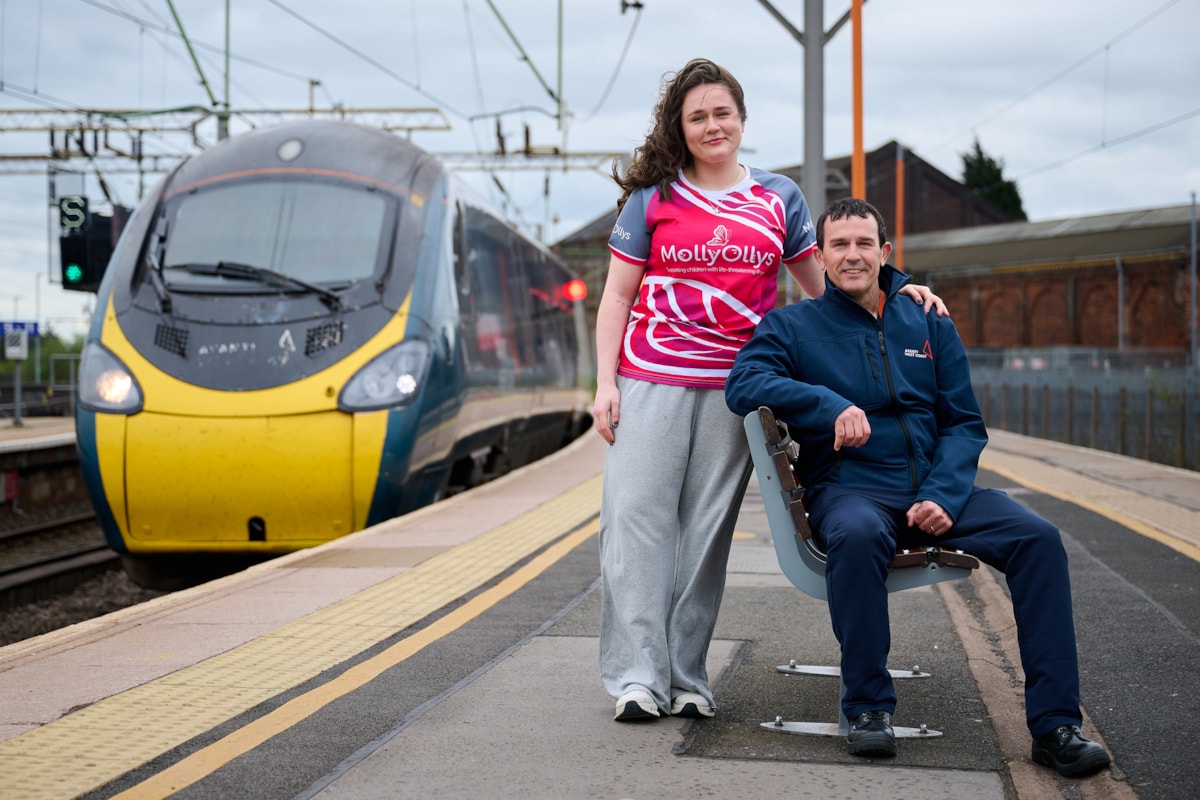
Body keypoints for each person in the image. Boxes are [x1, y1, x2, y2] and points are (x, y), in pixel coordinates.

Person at [594, 59, 945, 723]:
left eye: (721, 112)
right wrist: (605, 384)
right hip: (650, 381)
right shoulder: (654, 200)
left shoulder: (778, 199)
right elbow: (616, 295)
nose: (711, 125)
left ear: (742, 119)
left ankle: (686, 677)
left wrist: (900, 289)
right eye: (696, 116)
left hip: (739, 395)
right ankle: (638, 677)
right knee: (635, 525)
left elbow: (830, 284)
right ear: (681, 127)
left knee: (705, 535)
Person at [725, 197, 1111, 777]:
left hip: (936, 490)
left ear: (884, 252)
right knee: (854, 536)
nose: (852, 256)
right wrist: (829, 404)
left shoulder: (928, 320)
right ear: (820, 257)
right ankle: (868, 709)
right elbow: (744, 381)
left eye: (863, 244)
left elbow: (963, 422)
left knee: (1039, 539)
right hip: (852, 489)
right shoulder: (793, 326)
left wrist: (944, 495)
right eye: (839, 245)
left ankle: (1055, 726)